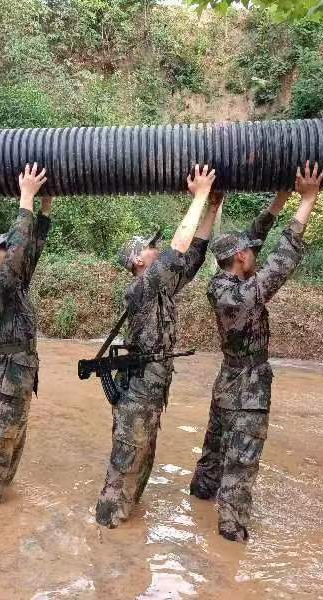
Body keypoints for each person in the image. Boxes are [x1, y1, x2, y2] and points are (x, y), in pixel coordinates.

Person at [189, 162, 323, 542]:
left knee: (215, 449)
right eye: (251, 253)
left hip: (228, 379)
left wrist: (282, 197)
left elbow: (254, 236)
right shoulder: (245, 294)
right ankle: (230, 533)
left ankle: (199, 500)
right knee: (242, 461)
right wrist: (307, 201)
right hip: (248, 385)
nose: (255, 254)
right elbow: (284, 258)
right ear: (242, 260)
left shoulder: (222, 282)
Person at [96, 164, 221, 529]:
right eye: (150, 248)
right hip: (138, 392)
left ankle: (124, 531)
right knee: (126, 463)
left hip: (152, 389)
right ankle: (105, 532)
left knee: (143, 462)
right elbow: (177, 250)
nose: (156, 250)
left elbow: (193, 255)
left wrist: (212, 208)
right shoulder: (142, 289)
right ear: (138, 261)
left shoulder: (161, 290)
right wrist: (198, 195)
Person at [0, 163, 53, 507]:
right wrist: (25, 198)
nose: (12, 251)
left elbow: (28, 252)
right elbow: (18, 252)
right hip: (4, 380)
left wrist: (44, 209)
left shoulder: (12, 283)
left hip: (18, 375)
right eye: (3, 248)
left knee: (12, 446)